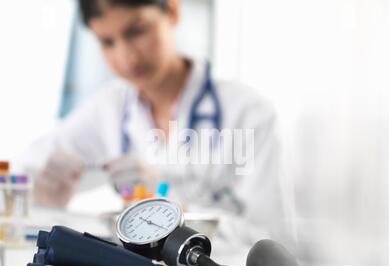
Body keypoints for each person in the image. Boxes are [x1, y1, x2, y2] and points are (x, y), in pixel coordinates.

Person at [20, 0, 296, 252]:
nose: (127, 57)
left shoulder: (248, 113)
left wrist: (171, 206)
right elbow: (20, 175)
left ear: (172, 11)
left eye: (136, 31)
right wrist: (41, 198)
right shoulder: (110, 108)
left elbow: (274, 242)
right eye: (107, 42)